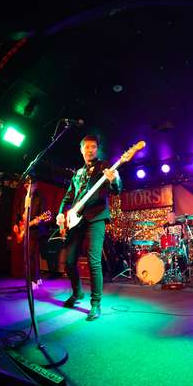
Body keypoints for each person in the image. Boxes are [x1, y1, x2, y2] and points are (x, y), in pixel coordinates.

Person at [57, 135, 122, 321]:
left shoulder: (104, 167)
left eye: (93, 146)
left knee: (94, 261)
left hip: (96, 217)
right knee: (69, 261)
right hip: (76, 220)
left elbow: (116, 189)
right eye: (87, 147)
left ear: (97, 149)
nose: (90, 150)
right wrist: (61, 213)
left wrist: (114, 179)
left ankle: (95, 303)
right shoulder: (77, 173)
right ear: (81, 150)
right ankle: (77, 292)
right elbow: (68, 197)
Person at [12, 179, 45, 286]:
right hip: (23, 229)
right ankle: (34, 278)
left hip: (33, 230)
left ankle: (32, 281)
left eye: (31, 185)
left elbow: (43, 215)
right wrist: (16, 224)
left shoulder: (39, 198)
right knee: (27, 255)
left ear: (35, 186)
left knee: (30, 255)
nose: (29, 187)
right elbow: (18, 212)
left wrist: (38, 221)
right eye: (27, 185)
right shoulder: (23, 198)